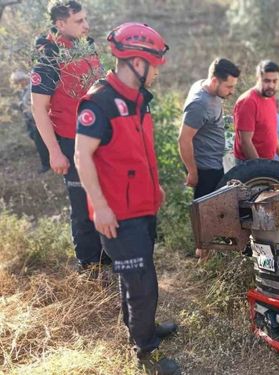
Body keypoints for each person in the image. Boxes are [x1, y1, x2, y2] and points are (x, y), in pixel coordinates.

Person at [74, 22, 179, 375]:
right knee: (142, 282)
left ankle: (139, 329)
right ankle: (145, 351)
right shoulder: (100, 101)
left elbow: (137, 153)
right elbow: (81, 156)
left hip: (141, 206)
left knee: (132, 276)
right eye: (155, 66)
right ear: (137, 62)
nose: (157, 75)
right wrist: (100, 207)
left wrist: (156, 188)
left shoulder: (137, 100)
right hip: (118, 213)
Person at [30, 1, 108, 271]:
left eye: (86, 19)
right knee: (82, 205)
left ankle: (108, 256)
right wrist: (54, 151)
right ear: (60, 24)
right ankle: (89, 265)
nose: (86, 25)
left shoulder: (88, 47)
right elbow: (39, 109)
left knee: (105, 196)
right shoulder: (49, 58)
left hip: (101, 139)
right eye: (79, 21)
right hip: (72, 142)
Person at [179, 57, 240, 200]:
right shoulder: (199, 104)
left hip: (216, 163)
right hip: (206, 170)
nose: (232, 91)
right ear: (214, 81)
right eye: (229, 87)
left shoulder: (206, 87)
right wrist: (193, 173)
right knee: (208, 217)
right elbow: (184, 140)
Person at [233, 60, 279, 164]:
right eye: (267, 81)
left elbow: (272, 132)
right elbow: (245, 142)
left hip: (266, 162)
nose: (271, 85)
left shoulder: (271, 97)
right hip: (249, 165)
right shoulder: (248, 102)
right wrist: (260, 168)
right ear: (258, 78)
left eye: (275, 81)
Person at [11, 70, 50, 172]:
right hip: (30, 120)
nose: (19, 83)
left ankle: (46, 165)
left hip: (37, 119)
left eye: (20, 80)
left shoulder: (32, 87)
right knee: (35, 139)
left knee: (40, 143)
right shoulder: (23, 90)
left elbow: (34, 104)